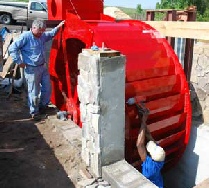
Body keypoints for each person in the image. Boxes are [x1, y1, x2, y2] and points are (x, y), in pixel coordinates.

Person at [9, 19, 65, 120]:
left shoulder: (42, 35)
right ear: (33, 28)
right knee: (34, 91)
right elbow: (12, 49)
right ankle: (34, 112)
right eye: (40, 31)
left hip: (42, 67)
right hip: (31, 69)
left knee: (47, 88)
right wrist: (19, 62)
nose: (41, 33)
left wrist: (59, 26)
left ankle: (43, 106)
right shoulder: (25, 37)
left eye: (43, 31)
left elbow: (51, 34)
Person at [127, 97, 165, 188]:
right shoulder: (160, 156)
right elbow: (148, 135)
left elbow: (139, 145)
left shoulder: (150, 168)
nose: (152, 145)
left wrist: (143, 120)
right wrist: (143, 117)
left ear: (151, 158)